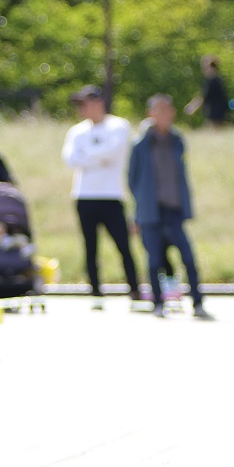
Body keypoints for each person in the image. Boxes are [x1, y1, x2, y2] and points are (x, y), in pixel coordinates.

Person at [128, 95, 212, 320]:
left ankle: (198, 302)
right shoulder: (141, 144)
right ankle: (158, 303)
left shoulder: (177, 140)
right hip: (151, 211)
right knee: (154, 261)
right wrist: (139, 209)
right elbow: (132, 179)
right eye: (159, 110)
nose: (164, 114)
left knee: (188, 258)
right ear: (150, 114)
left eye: (168, 110)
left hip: (173, 210)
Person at [62, 85, 142, 308]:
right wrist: (98, 158)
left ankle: (134, 289)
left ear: (98, 103)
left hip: (111, 195)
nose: (81, 109)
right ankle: (95, 291)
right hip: (84, 196)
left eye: (85, 104)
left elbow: (114, 152)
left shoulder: (118, 126)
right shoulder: (76, 131)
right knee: (90, 247)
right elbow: (70, 159)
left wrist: (87, 157)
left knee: (123, 245)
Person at [184, 55, 231, 127]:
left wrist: (192, 107)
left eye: (205, 67)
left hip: (216, 115)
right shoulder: (213, 80)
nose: (203, 70)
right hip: (214, 114)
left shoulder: (214, 81)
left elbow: (203, 97)